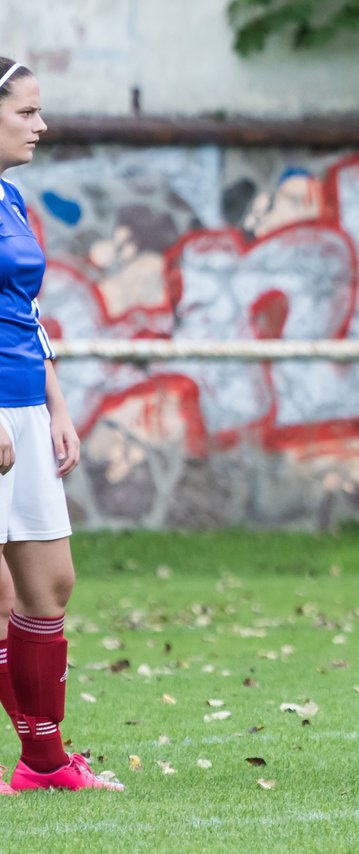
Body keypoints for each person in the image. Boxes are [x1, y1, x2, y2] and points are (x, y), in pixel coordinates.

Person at [0, 58, 123, 793]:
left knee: (50, 588)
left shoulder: (10, 200)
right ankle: (44, 761)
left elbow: (26, 314)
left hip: (25, 409)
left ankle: (43, 762)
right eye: (26, 112)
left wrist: (58, 405)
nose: (41, 125)